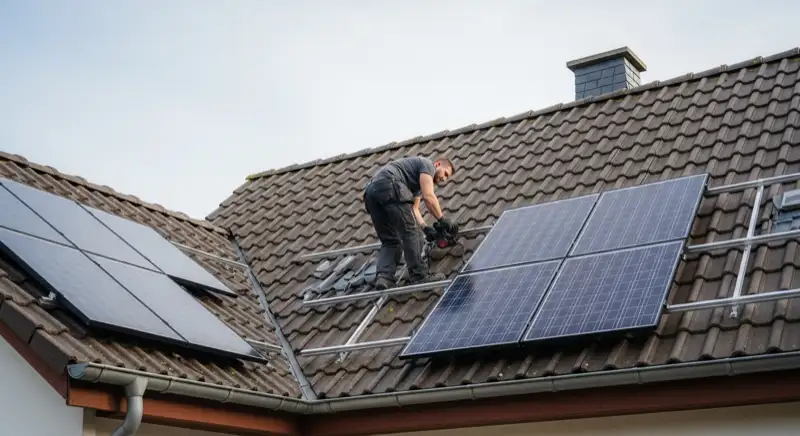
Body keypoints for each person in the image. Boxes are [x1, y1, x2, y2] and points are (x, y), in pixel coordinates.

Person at [363, 156, 458, 290]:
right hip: (390, 185)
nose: (444, 179)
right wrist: (442, 219)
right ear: (437, 164)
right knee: (412, 233)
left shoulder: (416, 183)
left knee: (390, 240)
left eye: (447, 178)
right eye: (445, 174)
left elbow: (414, 209)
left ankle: (384, 277)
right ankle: (419, 276)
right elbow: (429, 197)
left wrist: (425, 228)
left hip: (371, 194)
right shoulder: (427, 166)